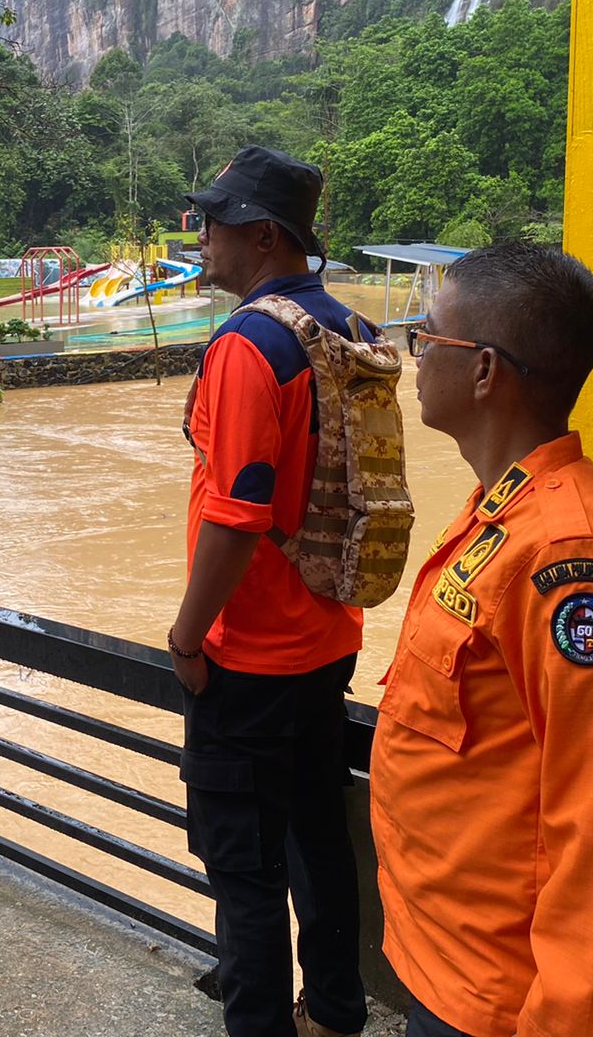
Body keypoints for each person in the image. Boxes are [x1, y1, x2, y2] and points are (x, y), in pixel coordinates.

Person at [370, 242, 593, 1037]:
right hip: (440, 961)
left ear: (485, 371)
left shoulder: (574, 567)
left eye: (428, 337)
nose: (412, 353)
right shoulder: (502, 513)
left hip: (497, 1002)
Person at [169, 146, 370, 1037]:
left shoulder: (252, 344)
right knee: (320, 838)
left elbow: (237, 512)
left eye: (212, 222)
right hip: (331, 640)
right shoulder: (351, 330)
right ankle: (334, 1010)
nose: (200, 236)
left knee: (244, 871)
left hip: (247, 657)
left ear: (259, 236)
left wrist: (186, 638)